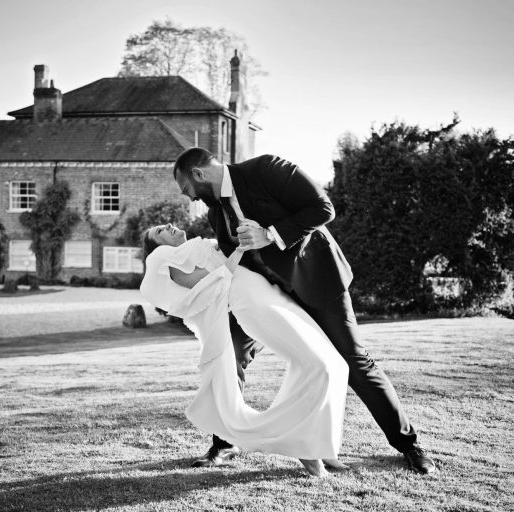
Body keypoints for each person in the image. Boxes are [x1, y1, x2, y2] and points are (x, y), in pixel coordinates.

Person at [173, 148, 437, 474]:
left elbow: (323, 209)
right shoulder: (217, 215)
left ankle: (409, 445)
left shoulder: (265, 169)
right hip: (271, 298)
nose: (192, 199)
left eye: (188, 190)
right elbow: (233, 262)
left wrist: (269, 234)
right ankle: (225, 442)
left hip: (317, 281)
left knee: (354, 361)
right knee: (230, 352)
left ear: (199, 174)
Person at [140, 224, 349, 476]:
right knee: (318, 364)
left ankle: (322, 446)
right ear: (159, 247)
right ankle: (305, 448)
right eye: (161, 231)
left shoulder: (199, 245)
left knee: (335, 364)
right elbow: (210, 282)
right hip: (251, 301)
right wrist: (239, 248)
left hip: (268, 291)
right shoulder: (164, 259)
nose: (169, 226)